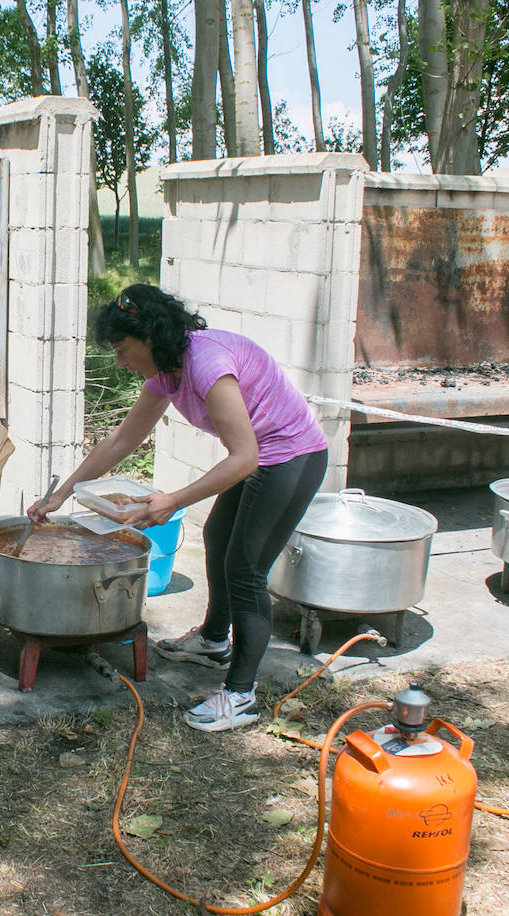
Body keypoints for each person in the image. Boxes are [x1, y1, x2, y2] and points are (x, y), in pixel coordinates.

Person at [27, 284, 328, 732]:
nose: (121, 362)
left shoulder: (207, 365)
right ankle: (212, 640)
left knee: (245, 569)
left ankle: (241, 695)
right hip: (262, 456)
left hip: (291, 457)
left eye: (124, 350)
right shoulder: (167, 372)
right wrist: (63, 493)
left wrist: (172, 501)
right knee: (217, 538)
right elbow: (122, 440)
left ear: (150, 336)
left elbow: (243, 458)